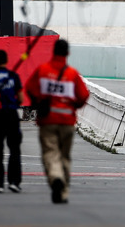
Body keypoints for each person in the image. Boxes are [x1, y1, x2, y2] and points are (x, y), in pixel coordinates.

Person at [25, 39, 90, 204]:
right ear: (67, 53)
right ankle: (63, 193)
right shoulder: (72, 74)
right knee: (65, 156)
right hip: (67, 121)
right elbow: (83, 96)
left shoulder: (43, 70)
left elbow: (30, 88)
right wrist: (73, 106)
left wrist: (39, 102)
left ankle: (55, 179)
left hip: (48, 120)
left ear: (53, 51)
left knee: (50, 152)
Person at [0, 50, 24, 193]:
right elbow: (21, 98)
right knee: (14, 149)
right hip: (10, 115)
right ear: (6, 60)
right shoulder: (13, 76)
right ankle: (14, 182)